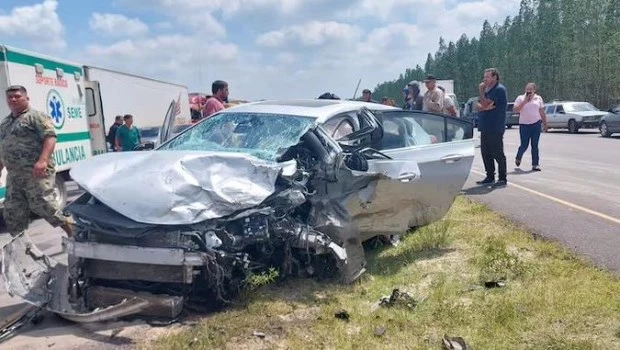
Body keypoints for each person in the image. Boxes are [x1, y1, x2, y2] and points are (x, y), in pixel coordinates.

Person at [0, 85, 74, 236]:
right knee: (13, 212)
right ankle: (20, 247)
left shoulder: (36, 117)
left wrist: (43, 160)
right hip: (14, 176)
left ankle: (74, 232)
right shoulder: (5, 123)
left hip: (36, 172)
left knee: (45, 206)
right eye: (10, 97)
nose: (13, 99)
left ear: (26, 98)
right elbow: (3, 146)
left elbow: (50, 137)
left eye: (17, 96)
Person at [476, 68, 508, 187]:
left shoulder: (499, 89)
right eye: (484, 77)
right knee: (486, 153)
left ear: (494, 77)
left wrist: (481, 92)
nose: (484, 79)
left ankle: (502, 178)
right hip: (485, 127)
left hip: (495, 127)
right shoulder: (487, 90)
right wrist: (484, 106)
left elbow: (483, 104)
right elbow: (477, 105)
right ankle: (490, 176)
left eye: (487, 77)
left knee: (497, 153)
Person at [513, 83, 548, 171]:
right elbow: (515, 110)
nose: (528, 91)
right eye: (527, 89)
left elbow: (542, 112)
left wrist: (545, 124)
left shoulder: (538, 98)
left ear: (534, 90)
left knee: (535, 145)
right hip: (524, 125)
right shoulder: (520, 98)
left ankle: (535, 164)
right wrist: (525, 101)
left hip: (536, 124)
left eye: (530, 89)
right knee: (524, 144)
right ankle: (518, 156)